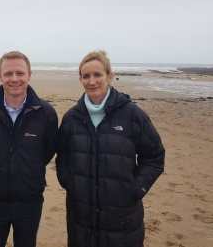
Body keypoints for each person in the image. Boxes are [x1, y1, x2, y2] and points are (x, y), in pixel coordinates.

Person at [56, 50, 165, 247]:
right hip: (80, 217)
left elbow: (154, 157)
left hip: (122, 219)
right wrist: (68, 181)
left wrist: (134, 189)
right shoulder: (71, 118)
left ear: (109, 76)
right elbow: (62, 155)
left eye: (97, 75)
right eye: (86, 76)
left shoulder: (132, 114)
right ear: (80, 79)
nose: (92, 81)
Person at [0, 51, 58, 247]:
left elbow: (46, 152)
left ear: (29, 75)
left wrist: (27, 168)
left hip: (30, 201)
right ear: (0, 76)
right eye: (8, 74)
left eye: (20, 73)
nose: (14, 79)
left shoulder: (47, 113)